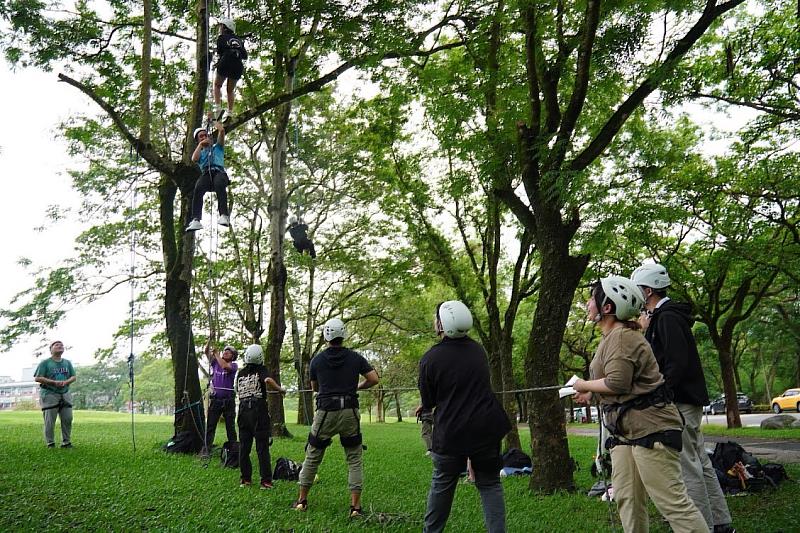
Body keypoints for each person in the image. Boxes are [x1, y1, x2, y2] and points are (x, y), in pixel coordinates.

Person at [573, 276, 707, 533]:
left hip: (650, 428)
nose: (588, 304)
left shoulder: (622, 337)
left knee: (672, 503)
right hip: (624, 431)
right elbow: (619, 381)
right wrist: (591, 392)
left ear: (607, 307)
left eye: (592, 299)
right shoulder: (611, 337)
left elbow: (618, 384)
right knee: (627, 499)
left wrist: (584, 385)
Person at [632, 263, 734, 533]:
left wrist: (660, 393)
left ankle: (703, 526)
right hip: (686, 399)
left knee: (688, 466)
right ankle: (721, 522)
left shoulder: (667, 318)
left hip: (681, 401)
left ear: (648, 290)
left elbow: (675, 363)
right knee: (700, 461)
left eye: (639, 290)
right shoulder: (661, 317)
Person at [418, 300, 511, 533]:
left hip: (451, 432)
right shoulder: (478, 350)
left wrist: (428, 404)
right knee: (490, 484)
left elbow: (429, 402)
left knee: (442, 482)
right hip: (486, 428)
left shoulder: (430, 359)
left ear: (442, 323)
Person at [293, 318, 379, 517]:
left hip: (325, 412)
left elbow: (315, 388)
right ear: (344, 335)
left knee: (313, 455)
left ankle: (301, 501)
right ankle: (355, 508)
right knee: (354, 458)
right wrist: (357, 387)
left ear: (326, 336)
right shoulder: (356, 358)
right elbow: (373, 379)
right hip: (350, 411)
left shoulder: (317, 360)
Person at [235, 344, 285, 489]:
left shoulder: (241, 372)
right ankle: (266, 481)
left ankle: (245, 479)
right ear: (260, 358)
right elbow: (268, 381)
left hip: (243, 410)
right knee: (262, 447)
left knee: (244, 446)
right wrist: (280, 389)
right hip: (258, 410)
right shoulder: (261, 370)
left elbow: (237, 389)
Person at [186, 119, 231, 232]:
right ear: (198, 140)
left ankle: (224, 215)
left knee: (219, 183)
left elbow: (221, 131)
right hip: (206, 174)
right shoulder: (200, 153)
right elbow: (194, 159)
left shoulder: (218, 147)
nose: (204, 137)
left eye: (205, 135)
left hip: (219, 172)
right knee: (198, 188)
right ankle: (196, 219)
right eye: (201, 136)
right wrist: (201, 145)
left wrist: (212, 121)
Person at [33, 340, 77, 448]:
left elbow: (73, 376)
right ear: (51, 349)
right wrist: (53, 382)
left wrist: (66, 382)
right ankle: (50, 443)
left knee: (68, 418)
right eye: (56, 345)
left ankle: (66, 442)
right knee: (50, 420)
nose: (60, 346)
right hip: (49, 394)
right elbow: (37, 378)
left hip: (65, 393)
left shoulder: (67, 363)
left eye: (61, 345)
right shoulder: (45, 363)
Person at [201, 344, 238, 459]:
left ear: (233, 356)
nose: (226, 352)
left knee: (230, 427)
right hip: (216, 400)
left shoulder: (233, 365)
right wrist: (209, 341)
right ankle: (206, 450)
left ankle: (233, 451)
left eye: (229, 352)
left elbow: (225, 366)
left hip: (229, 401)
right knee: (211, 426)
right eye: (225, 351)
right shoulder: (215, 363)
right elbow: (206, 351)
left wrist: (216, 354)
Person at [213, 18, 247, 122]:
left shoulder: (222, 37)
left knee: (217, 85)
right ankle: (230, 113)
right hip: (238, 65)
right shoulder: (239, 40)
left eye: (221, 26)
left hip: (226, 61)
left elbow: (219, 51)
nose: (220, 28)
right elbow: (245, 55)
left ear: (225, 27)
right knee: (230, 90)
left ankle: (218, 108)